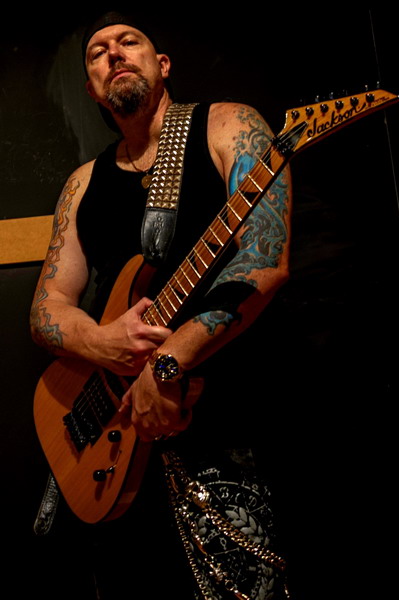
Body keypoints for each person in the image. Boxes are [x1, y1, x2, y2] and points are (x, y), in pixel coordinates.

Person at [30, 11, 293, 600]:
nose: (114, 53)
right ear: (92, 87)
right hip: (113, 443)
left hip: (224, 430)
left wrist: (165, 364)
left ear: (162, 63)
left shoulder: (228, 125)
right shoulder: (82, 183)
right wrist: (104, 343)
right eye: (97, 52)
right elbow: (47, 310)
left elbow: (263, 261)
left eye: (129, 41)